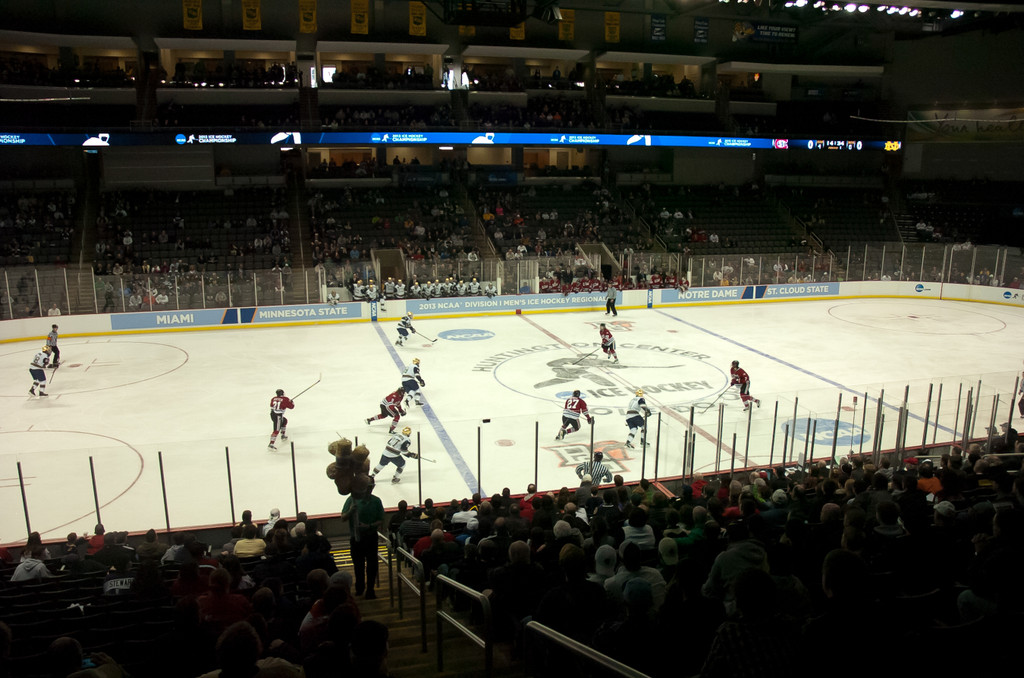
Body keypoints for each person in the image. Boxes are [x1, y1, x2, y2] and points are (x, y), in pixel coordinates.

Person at [340, 479, 385, 598]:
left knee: (372, 564)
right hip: (356, 538)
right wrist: (350, 511)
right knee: (358, 565)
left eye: (371, 486)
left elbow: (381, 520)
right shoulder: (351, 500)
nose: (369, 489)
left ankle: (370, 588)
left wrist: (369, 526)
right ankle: (360, 587)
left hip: (371, 538)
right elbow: (343, 517)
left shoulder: (376, 501)